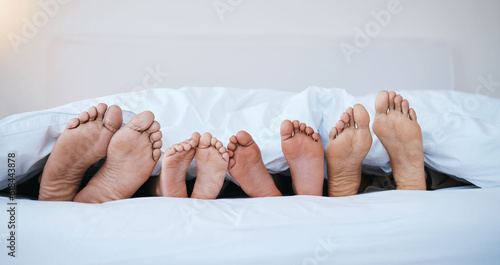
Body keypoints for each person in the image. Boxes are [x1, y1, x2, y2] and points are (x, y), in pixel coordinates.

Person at [38, 90, 426, 202]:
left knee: (149, 189)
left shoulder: (12, 238)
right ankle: (335, 191)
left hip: (135, 184)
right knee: (153, 181)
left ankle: (64, 194)